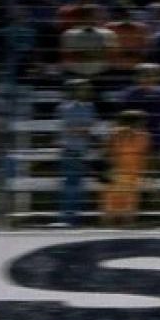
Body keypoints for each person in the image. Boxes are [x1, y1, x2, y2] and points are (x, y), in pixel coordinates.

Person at [57, 79, 97, 226]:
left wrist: (83, 129)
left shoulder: (90, 107)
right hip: (71, 150)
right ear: (74, 91)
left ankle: (74, 218)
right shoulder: (66, 108)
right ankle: (68, 218)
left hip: (83, 150)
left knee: (77, 185)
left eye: (88, 88)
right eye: (83, 89)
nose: (87, 91)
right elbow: (70, 128)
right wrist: (83, 129)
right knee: (71, 185)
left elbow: (89, 126)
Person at [102, 109, 150, 227]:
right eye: (141, 121)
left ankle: (117, 225)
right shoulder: (117, 135)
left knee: (119, 203)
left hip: (128, 173)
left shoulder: (142, 136)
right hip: (122, 173)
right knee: (121, 203)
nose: (143, 124)